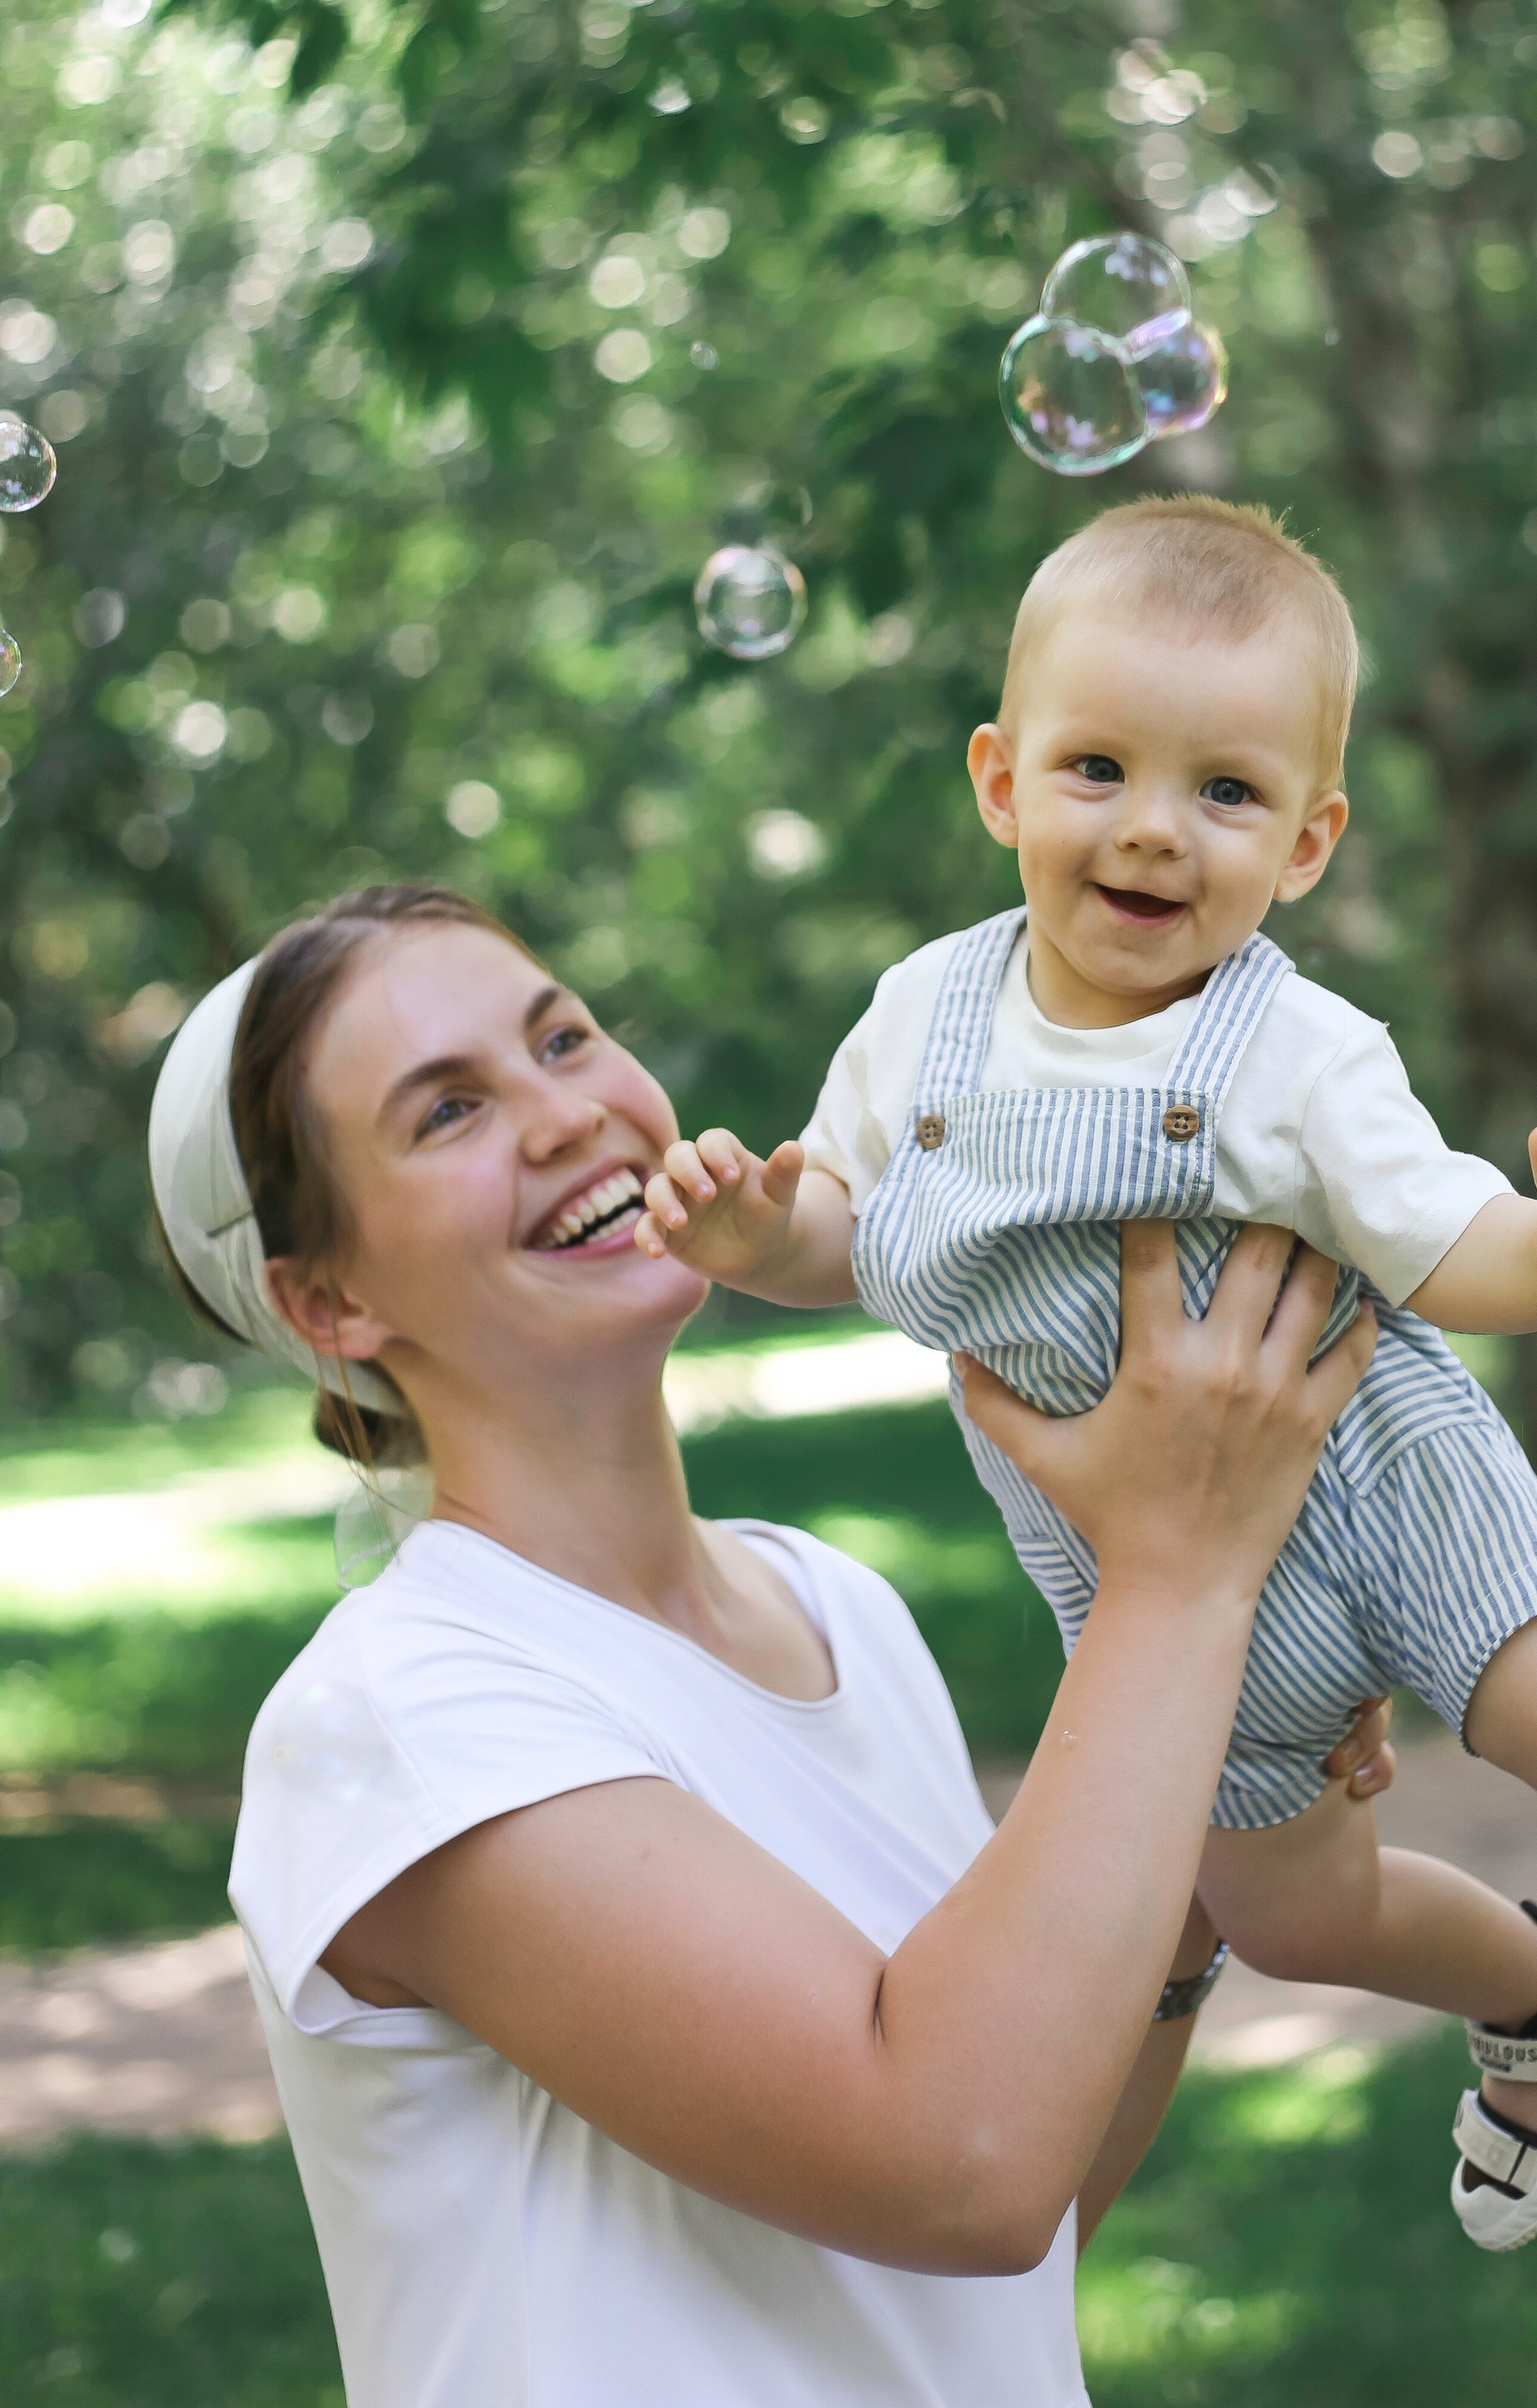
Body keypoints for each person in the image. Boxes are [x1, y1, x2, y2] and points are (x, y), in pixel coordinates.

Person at [639, 496, 1537, 2251]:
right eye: (1098, 769)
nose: (1154, 831)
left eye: (1223, 793)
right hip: (1152, 1588)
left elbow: (1435, 1242)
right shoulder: (919, 1020)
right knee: (1294, 1915)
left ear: (1304, 841)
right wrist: (749, 1240)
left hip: (1378, 1485)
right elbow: (849, 1234)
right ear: (1001, 782)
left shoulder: (1295, 1051)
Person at [147, 879, 1405, 2408]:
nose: (566, 1116)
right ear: (325, 1298)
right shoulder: (398, 1713)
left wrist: (1201, 1857)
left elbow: (1015, 2214)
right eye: (449, 1111)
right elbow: (958, 2159)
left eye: (564, 1036)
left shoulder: (836, 1608)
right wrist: (1176, 1575)